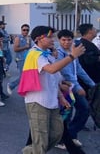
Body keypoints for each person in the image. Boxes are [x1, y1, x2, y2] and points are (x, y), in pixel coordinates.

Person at [19, 26, 85, 154]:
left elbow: (53, 78)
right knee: (41, 141)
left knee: (57, 133)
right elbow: (52, 69)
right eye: (49, 37)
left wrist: (60, 96)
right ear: (39, 39)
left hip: (51, 101)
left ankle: (29, 151)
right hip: (38, 102)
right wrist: (72, 56)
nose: (52, 39)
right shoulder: (35, 54)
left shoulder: (47, 55)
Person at [56, 29, 95, 147]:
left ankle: (70, 135)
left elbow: (79, 70)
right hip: (65, 87)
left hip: (73, 85)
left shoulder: (72, 52)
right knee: (69, 113)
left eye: (69, 40)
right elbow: (66, 73)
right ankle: (63, 139)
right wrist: (78, 87)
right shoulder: (59, 54)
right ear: (59, 40)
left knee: (83, 109)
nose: (66, 42)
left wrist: (92, 84)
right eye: (63, 40)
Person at [7, 24, 32, 95]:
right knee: (23, 76)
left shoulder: (28, 38)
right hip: (21, 59)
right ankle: (11, 85)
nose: (26, 31)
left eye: (27, 30)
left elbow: (29, 48)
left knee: (28, 75)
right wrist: (25, 47)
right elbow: (15, 49)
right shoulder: (18, 38)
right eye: (24, 30)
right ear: (21, 30)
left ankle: (25, 90)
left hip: (28, 59)